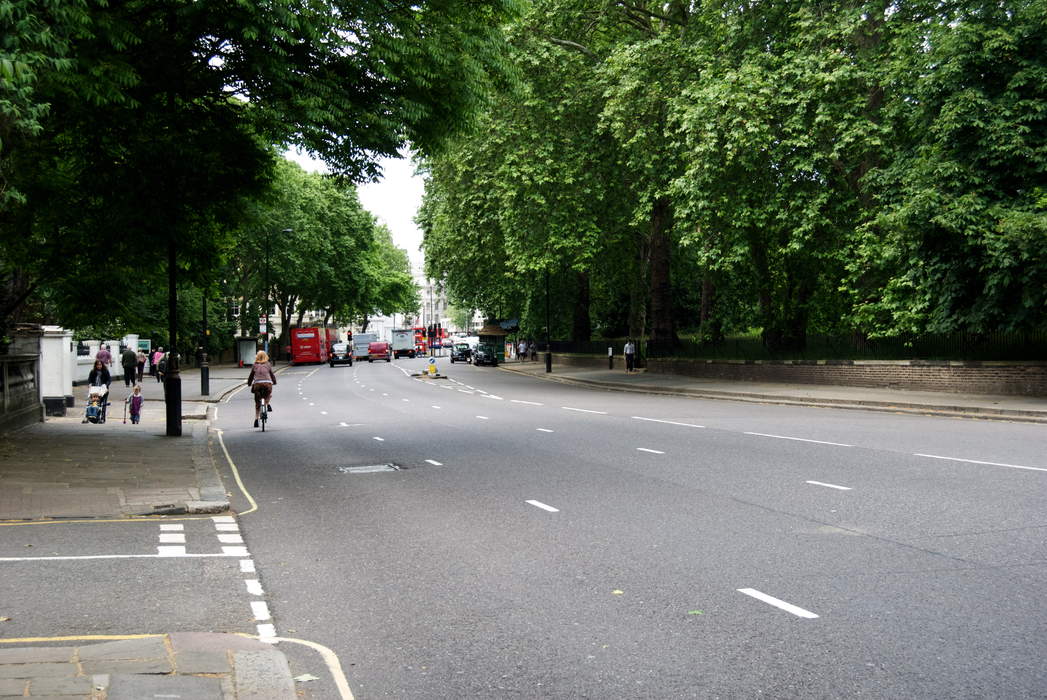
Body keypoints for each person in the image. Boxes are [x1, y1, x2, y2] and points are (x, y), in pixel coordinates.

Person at [247, 350, 277, 428]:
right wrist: (274, 381)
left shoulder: (254, 365)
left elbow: (251, 376)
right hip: (267, 384)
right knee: (268, 394)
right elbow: (272, 375)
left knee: (257, 402)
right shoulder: (268, 364)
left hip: (257, 384)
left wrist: (249, 383)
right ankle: (267, 404)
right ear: (265, 356)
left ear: (257, 357)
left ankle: (256, 419)